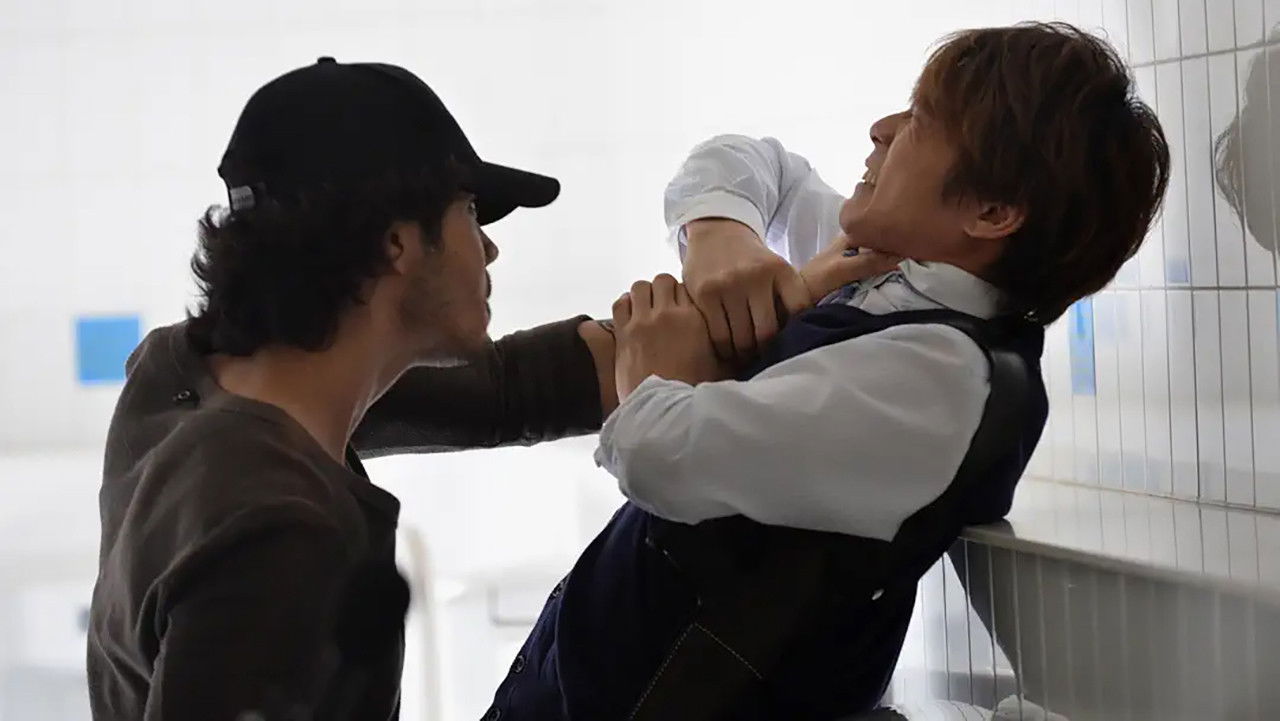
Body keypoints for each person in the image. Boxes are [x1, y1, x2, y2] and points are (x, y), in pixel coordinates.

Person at [485, 22, 1171, 720]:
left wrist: (655, 369)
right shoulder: (888, 276)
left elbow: (658, 456)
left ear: (992, 212)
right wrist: (722, 235)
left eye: (919, 122)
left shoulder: (942, 379)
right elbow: (754, 163)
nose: (882, 129)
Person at [86, 57, 626, 721]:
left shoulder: (182, 376)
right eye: (469, 211)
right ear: (397, 242)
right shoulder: (278, 534)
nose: (489, 249)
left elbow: (514, 391)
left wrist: (712, 318)